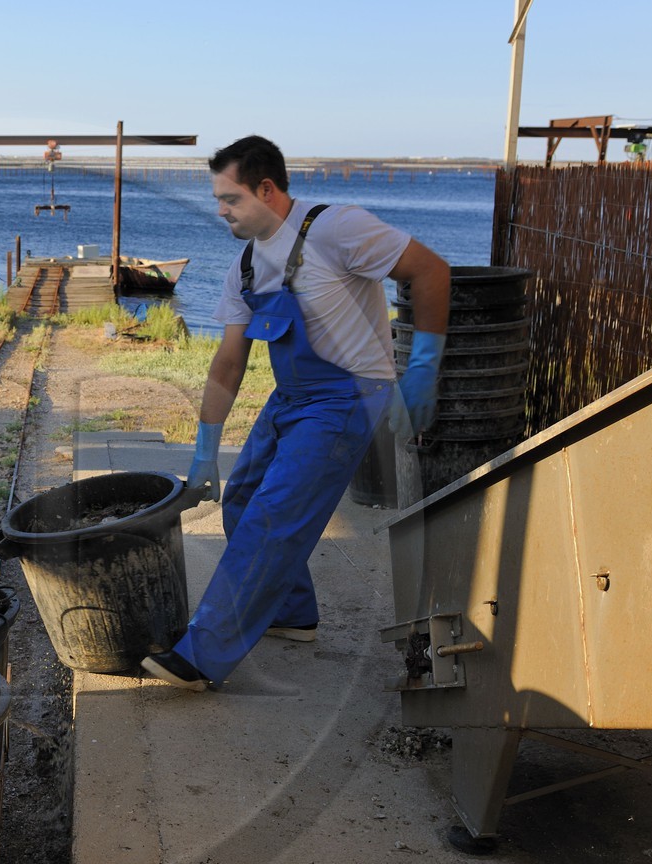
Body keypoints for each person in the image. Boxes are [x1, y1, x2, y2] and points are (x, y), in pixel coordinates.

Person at [142, 135, 450, 692]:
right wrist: (205, 452)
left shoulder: (337, 228)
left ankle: (202, 655)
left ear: (267, 189)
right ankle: (291, 613)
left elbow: (430, 271)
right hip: (294, 396)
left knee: (272, 516)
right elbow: (227, 364)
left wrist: (424, 367)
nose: (221, 210)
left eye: (230, 198)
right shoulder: (244, 265)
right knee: (239, 499)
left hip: (349, 397)